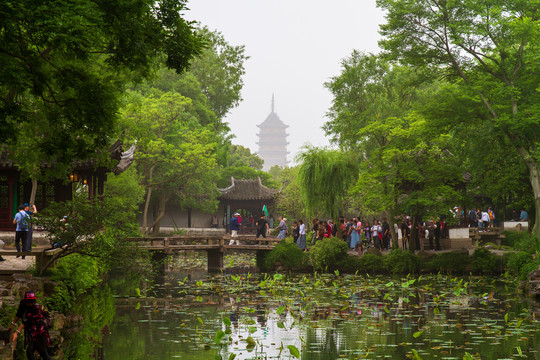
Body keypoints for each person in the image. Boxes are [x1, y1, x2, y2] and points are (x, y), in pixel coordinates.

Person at [10, 291, 52, 360]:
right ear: (26, 300)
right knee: (42, 352)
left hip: (40, 332)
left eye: (32, 301)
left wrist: (16, 333)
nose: (31, 303)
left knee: (30, 352)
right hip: (33, 332)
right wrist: (12, 324)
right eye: (29, 301)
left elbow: (25, 321)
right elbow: (18, 314)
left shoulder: (36, 308)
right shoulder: (23, 304)